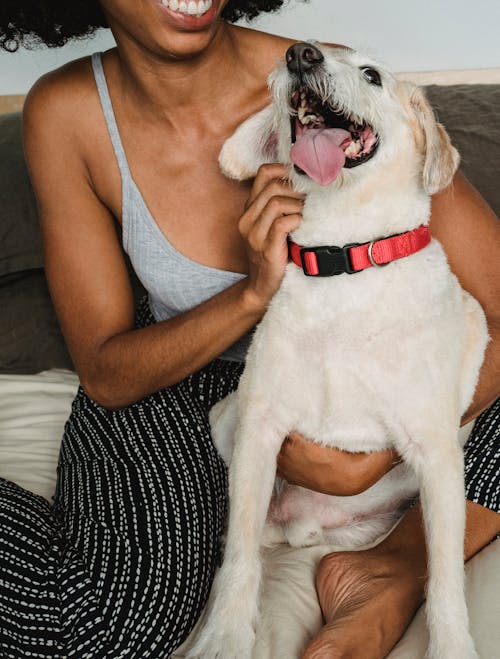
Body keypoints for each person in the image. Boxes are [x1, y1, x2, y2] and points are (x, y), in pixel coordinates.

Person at [0, 1, 498, 657]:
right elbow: (107, 371)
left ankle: (396, 568)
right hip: (182, 379)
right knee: (108, 624)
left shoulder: (329, 77)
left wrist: (373, 457)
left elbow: (493, 305)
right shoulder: (67, 112)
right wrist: (255, 290)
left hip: (370, 369)